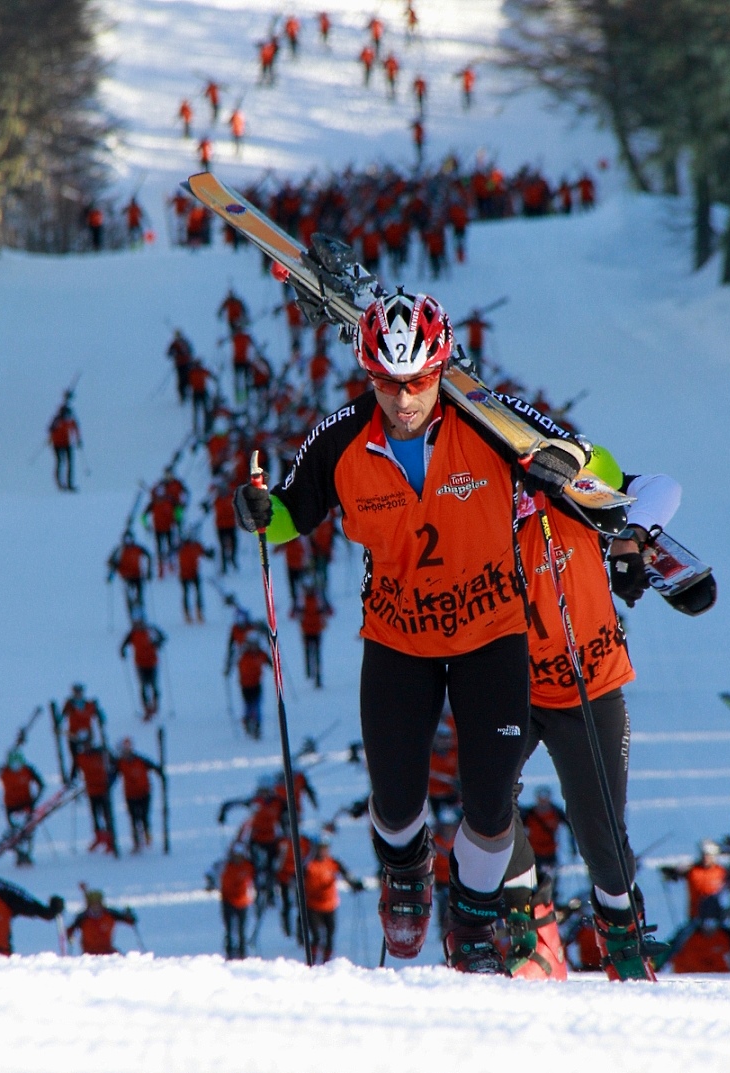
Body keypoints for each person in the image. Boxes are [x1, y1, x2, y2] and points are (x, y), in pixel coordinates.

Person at [233, 289, 588, 974]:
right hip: (399, 639)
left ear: (442, 368)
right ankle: (406, 870)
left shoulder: (488, 418)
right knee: (396, 803)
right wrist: (257, 510)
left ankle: (476, 921)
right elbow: (290, 514)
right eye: (388, 382)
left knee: (490, 806)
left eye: (420, 381)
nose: (404, 399)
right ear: (368, 373)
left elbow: (581, 453)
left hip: (491, 632)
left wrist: (564, 464)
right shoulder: (341, 437)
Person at [498, 441, 681, 981]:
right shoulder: (473, 506)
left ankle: (622, 934)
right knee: (484, 801)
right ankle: (531, 922)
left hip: (590, 685)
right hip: (516, 688)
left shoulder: (568, 488)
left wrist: (628, 540)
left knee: (600, 829)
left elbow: (662, 487)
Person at [303, 839, 364, 964]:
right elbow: (297, 880)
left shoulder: (333, 863)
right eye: (320, 849)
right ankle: (311, 962)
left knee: (330, 935)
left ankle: (326, 962)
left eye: (325, 849)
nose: (323, 852)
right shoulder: (309, 865)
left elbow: (346, 875)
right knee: (316, 936)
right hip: (313, 906)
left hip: (330, 905)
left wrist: (355, 885)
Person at [520, 785, 574, 896]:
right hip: (535, 852)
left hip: (551, 851)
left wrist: (573, 847)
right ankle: (536, 895)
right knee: (535, 876)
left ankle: (552, 894)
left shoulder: (556, 813)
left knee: (552, 876)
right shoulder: (529, 814)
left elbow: (570, 828)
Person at [661, 839, 729, 921]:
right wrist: (670, 873)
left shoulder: (721, 872)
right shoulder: (692, 870)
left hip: (716, 916)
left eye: (708, 855)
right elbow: (675, 875)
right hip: (695, 916)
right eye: (703, 855)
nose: (705, 858)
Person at [207, 845, 256, 959]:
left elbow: (256, 878)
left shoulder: (248, 865)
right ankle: (229, 951)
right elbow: (211, 873)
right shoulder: (224, 865)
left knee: (242, 929)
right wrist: (211, 883)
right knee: (229, 928)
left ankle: (242, 952)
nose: (237, 858)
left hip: (243, 902)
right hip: (227, 901)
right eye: (235, 855)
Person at [116, 738, 163, 853]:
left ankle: (147, 837)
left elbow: (154, 767)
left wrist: (160, 773)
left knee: (144, 816)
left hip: (144, 793)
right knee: (133, 819)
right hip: (130, 795)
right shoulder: (120, 763)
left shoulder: (140, 760)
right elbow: (113, 775)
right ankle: (136, 842)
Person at [0, 751, 45, 866]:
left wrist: (35, 800)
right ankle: (19, 854)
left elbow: (41, 784)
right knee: (15, 832)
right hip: (11, 806)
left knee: (28, 831)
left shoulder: (28, 770)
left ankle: (27, 853)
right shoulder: (3, 771)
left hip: (26, 805)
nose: (16, 767)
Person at [71, 744, 118, 855]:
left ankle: (110, 841)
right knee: (95, 816)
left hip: (103, 790)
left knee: (106, 815)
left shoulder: (101, 754)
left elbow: (115, 765)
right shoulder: (80, 757)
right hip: (91, 791)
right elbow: (74, 773)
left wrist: (110, 781)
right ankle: (99, 837)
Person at [670, 895, 730, 974]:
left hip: (720, 982)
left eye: (713, 923)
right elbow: (666, 952)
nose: (709, 928)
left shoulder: (727, 937)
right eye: (707, 923)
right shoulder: (686, 937)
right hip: (688, 980)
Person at [120, 616, 167, 720]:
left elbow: (163, 638)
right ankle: (146, 708)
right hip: (140, 664)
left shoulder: (151, 630)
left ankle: (155, 705)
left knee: (153, 685)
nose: (139, 625)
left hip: (152, 663)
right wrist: (123, 652)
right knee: (143, 685)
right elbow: (123, 645)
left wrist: (158, 643)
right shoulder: (132, 633)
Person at [67, 888, 137, 955]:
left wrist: (130, 916)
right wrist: (70, 936)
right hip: (89, 953)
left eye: (97, 903)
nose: (95, 906)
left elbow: (129, 920)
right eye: (93, 904)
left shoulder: (110, 913)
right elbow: (70, 930)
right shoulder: (83, 917)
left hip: (107, 950)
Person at [107, 529, 153, 620]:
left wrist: (148, 571)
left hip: (138, 576)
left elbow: (149, 556)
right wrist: (111, 574)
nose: (128, 541)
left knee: (139, 596)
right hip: (126, 577)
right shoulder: (119, 550)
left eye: (130, 539)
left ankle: (141, 615)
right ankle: (132, 616)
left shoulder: (138, 548)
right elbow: (111, 562)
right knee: (129, 597)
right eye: (126, 539)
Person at [237, 638, 272, 740]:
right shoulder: (244, 656)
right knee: (248, 705)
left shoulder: (261, 654)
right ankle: (247, 722)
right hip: (245, 685)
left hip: (256, 684)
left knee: (257, 706)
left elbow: (270, 663)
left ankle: (257, 727)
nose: (253, 648)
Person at [177, 531, 215, 623]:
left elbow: (205, 553)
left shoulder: (195, 546)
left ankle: (199, 612)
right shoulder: (182, 547)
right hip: (185, 574)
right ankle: (188, 613)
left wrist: (211, 553)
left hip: (194, 573)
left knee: (197, 593)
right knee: (187, 593)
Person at [60, 682, 107, 757]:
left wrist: (100, 713)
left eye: (79, 691)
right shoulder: (69, 705)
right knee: (76, 758)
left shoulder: (89, 705)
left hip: (87, 735)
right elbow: (61, 717)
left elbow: (102, 718)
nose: (78, 694)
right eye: (76, 691)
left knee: (88, 756)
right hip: (74, 735)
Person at [298, 582, 330, 688]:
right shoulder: (302, 600)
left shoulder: (318, 599)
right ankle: (310, 672)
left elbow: (329, 611)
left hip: (316, 630)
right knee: (309, 652)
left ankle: (317, 677)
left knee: (316, 654)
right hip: (307, 630)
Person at [48, 403, 82, 492]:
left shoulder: (70, 421)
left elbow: (76, 428)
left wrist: (78, 440)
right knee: (60, 462)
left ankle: (69, 484)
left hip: (67, 443)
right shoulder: (57, 420)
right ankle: (60, 484)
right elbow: (50, 429)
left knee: (69, 463)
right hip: (57, 444)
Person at [167, 329, 194, 403]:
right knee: (183, 379)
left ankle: (185, 395)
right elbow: (169, 353)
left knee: (185, 379)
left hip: (184, 363)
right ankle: (184, 395)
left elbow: (169, 353)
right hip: (182, 364)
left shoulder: (180, 343)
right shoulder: (181, 343)